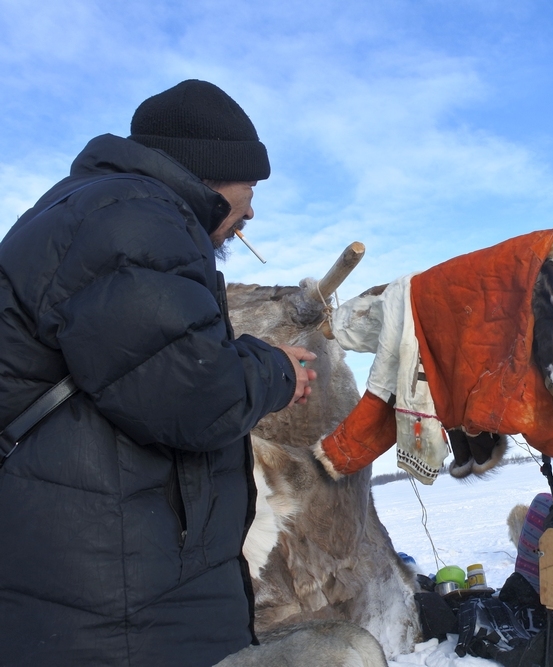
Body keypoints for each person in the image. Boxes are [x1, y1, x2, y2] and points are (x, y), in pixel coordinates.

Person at [0, 80, 317, 666]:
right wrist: (272, 369)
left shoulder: (99, 209)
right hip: (111, 600)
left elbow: (145, 362)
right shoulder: (134, 219)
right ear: (213, 174)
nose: (252, 207)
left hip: (97, 575)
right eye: (250, 185)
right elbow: (193, 395)